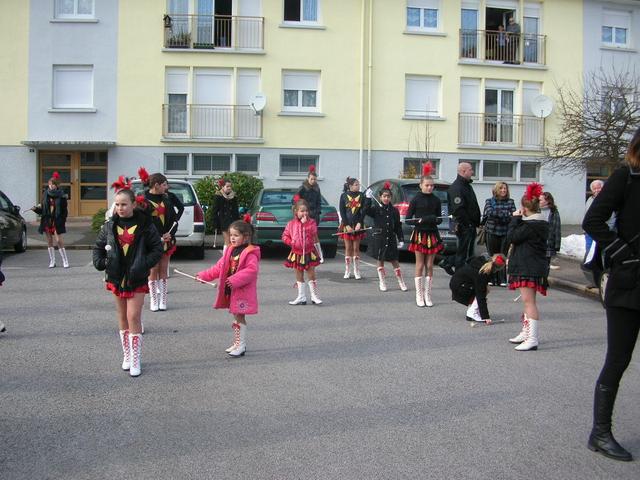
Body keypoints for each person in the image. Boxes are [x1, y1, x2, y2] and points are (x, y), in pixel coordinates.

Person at [582, 128, 640, 462]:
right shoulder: (626, 177)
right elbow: (593, 220)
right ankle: (600, 432)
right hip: (628, 284)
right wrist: (623, 252)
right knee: (618, 359)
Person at [92, 178, 163, 377]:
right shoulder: (109, 225)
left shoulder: (145, 225)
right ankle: (127, 355)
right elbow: (98, 247)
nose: (120, 208)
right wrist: (101, 262)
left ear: (133, 204)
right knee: (122, 317)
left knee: (134, 317)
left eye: (124, 204)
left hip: (137, 278)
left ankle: (136, 358)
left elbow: (157, 248)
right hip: (116, 277)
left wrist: (143, 264)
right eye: (117, 204)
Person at [196, 216, 260, 358]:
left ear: (246, 237)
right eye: (231, 235)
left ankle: (241, 345)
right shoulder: (230, 251)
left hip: (242, 291)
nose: (232, 238)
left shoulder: (250, 253)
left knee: (239, 316)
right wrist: (203, 276)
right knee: (235, 316)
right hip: (232, 290)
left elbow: (251, 271)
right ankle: (237, 343)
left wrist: (233, 280)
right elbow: (219, 267)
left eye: (236, 235)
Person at [506, 182, 549, 351]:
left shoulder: (530, 225)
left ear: (524, 208)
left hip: (528, 266)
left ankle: (532, 338)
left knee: (529, 302)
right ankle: (526, 332)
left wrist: (515, 219)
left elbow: (511, 237)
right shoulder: (539, 223)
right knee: (527, 302)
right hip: (532, 265)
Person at [141, 169, 184, 312]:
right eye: (165, 184)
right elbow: (142, 223)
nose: (167, 187)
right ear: (156, 185)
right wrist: (156, 237)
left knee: (164, 269)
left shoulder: (167, 199)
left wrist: (170, 234)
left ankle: (163, 299)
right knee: (153, 269)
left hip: (167, 239)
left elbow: (173, 220)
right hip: (151, 241)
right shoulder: (144, 201)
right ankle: (154, 299)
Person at [406, 163, 443, 307]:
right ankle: (419, 295)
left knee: (430, 264)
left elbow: (439, 219)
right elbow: (409, 219)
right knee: (420, 265)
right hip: (420, 234)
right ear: (421, 185)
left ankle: (428, 295)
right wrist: (419, 221)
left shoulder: (436, 200)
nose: (430, 187)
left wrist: (430, 219)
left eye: (432, 185)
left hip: (432, 234)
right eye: (427, 185)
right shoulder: (415, 199)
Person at [364, 181, 407, 292]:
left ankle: (401, 281)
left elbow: (397, 225)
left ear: (391, 197)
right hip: (380, 238)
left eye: (388, 196)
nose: (386, 199)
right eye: (384, 196)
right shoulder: (376, 209)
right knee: (380, 259)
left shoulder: (394, 211)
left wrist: (401, 238)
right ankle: (382, 282)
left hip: (391, 238)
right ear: (380, 197)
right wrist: (368, 198)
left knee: (394, 260)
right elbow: (366, 211)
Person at [440, 162, 481, 275]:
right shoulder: (457, 187)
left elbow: (472, 206)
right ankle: (460, 274)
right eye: (470, 170)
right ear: (463, 171)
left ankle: (450, 264)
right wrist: (468, 224)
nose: (472, 172)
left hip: (470, 224)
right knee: (464, 253)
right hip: (464, 225)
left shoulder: (466, 186)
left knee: (466, 252)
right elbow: (459, 209)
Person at [283, 199, 323, 305]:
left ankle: (314, 296)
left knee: (311, 273)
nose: (304, 213)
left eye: (306, 211)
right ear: (296, 211)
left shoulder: (312, 222)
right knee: (298, 274)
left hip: (309, 252)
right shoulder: (291, 224)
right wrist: (291, 242)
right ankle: (301, 296)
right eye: (302, 211)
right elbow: (285, 236)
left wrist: (305, 225)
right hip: (296, 252)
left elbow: (314, 232)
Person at [449, 253, 507, 324]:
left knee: (485, 288)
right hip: (460, 287)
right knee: (482, 291)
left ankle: (473, 310)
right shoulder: (483, 273)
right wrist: (486, 317)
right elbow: (481, 295)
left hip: (457, 283)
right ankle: (472, 313)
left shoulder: (481, 261)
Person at [32, 172, 69, 269]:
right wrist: (35, 209)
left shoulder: (61, 195)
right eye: (49, 184)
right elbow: (42, 210)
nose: (51, 186)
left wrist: (62, 220)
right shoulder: (45, 194)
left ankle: (65, 260)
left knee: (58, 240)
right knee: (49, 241)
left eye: (53, 184)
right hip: (47, 220)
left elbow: (65, 211)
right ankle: (52, 261)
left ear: (57, 185)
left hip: (57, 220)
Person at [482, 181, 516, 286]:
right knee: (493, 255)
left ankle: (502, 279)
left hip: (505, 232)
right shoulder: (489, 201)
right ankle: (491, 278)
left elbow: (513, 215)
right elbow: (489, 213)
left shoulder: (510, 202)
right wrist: (505, 214)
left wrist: (499, 214)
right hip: (492, 231)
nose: (503, 190)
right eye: (501, 188)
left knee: (502, 255)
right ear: (496, 190)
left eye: (505, 188)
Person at [338, 177, 367, 279]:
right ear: (350, 186)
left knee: (356, 248)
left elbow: (363, 211)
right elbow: (342, 211)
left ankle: (356, 270)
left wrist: (360, 223)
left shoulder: (362, 195)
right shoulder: (344, 196)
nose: (358, 186)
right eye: (356, 184)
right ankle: (347, 270)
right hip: (347, 225)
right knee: (348, 248)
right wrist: (346, 225)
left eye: (358, 184)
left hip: (358, 225)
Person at [294, 164, 324, 262]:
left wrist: (318, 211)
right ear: (308, 178)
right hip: (305, 214)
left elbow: (319, 201)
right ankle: (307, 255)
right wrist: (299, 206)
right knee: (304, 235)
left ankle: (320, 255)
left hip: (314, 214)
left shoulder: (317, 188)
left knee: (315, 235)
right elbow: (295, 199)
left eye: (315, 179)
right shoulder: (302, 188)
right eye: (311, 179)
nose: (313, 181)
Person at [212, 178, 240, 252]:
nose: (229, 188)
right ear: (223, 187)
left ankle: (229, 257)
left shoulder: (234, 196)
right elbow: (214, 211)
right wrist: (215, 223)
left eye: (230, 186)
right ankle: (226, 259)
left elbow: (236, 210)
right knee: (227, 241)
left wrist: (238, 222)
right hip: (224, 221)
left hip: (233, 221)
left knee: (232, 242)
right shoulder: (219, 196)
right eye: (227, 186)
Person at [540, 191, 561, 270]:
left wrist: (557, 245)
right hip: (538, 242)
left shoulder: (553, 212)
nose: (539, 201)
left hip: (548, 242)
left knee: (546, 264)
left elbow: (557, 228)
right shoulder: (537, 210)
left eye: (541, 200)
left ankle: (545, 280)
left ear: (547, 201)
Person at [584, 180, 604, 254]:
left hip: (601, 231)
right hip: (589, 231)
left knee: (600, 252)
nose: (597, 190)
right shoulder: (589, 200)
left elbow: (612, 217)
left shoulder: (606, 200)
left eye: (598, 188)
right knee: (589, 252)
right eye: (594, 189)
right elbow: (586, 214)